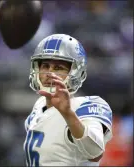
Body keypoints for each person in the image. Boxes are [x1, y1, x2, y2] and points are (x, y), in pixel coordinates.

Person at [24, 34, 113, 166]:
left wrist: (68, 114)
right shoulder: (39, 105)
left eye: (58, 68)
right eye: (45, 66)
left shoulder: (88, 105)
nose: (50, 73)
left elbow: (95, 153)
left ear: (77, 72)